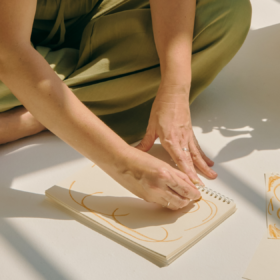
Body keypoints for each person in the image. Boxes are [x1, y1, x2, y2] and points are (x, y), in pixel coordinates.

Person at [0, 0, 251, 210]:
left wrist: (175, 88)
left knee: (226, 9)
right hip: (7, 41)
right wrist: (126, 165)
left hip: (92, 9)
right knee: (16, 66)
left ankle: (38, 111)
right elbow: (9, 52)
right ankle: (53, 101)